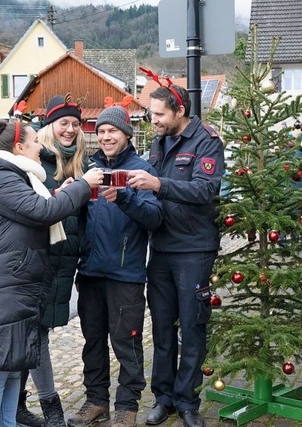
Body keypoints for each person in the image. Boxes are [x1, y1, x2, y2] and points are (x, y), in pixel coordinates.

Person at [0, 120, 102, 427]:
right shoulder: (2, 178)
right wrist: (82, 184)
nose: (41, 146)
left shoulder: (19, 178)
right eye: (36, 140)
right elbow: (43, 212)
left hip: (15, 289)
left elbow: (37, 207)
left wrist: (58, 194)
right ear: (19, 146)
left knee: (12, 371)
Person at [127, 85, 224, 427]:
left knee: (193, 328)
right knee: (163, 328)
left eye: (159, 114)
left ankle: (188, 402)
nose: (153, 120)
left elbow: (204, 189)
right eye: (152, 114)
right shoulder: (159, 140)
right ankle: (163, 398)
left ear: (179, 111)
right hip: (162, 248)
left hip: (194, 250)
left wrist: (158, 185)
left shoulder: (207, 141)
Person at [67, 104, 163, 427]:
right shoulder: (90, 169)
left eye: (113, 131)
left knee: (127, 342)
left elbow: (154, 218)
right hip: (91, 272)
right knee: (92, 341)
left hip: (126, 275)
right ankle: (96, 401)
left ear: (126, 134)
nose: (106, 136)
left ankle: (127, 405)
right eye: (102, 132)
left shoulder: (141, 170)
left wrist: (124, 197)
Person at [16, 95, 90, 427]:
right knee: (35, 336)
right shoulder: (36, 165)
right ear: (50, 126)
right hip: (37, 264)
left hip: (63, 264)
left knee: (33, 334)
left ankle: (17, 406)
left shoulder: (79, 165)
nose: (71, 129)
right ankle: (52, 410)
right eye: (64, 123)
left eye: (76, 124)